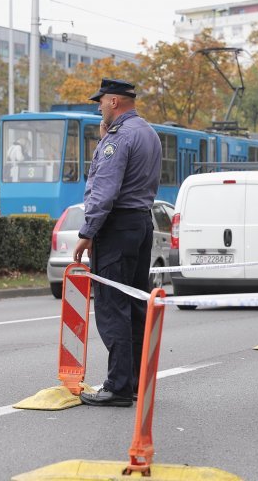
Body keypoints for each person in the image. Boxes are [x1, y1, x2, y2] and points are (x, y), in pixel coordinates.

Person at [73, 78, 162, 408]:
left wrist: (88, 232)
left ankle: (119, 386)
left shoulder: (118, 137)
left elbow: (105, 190)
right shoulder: (148, 133)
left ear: (114, 102)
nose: (98, 107)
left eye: (101, 102)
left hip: (117, 227)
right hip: (141, 224)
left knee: (112, 307)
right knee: (135, 305)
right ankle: (137, 381)